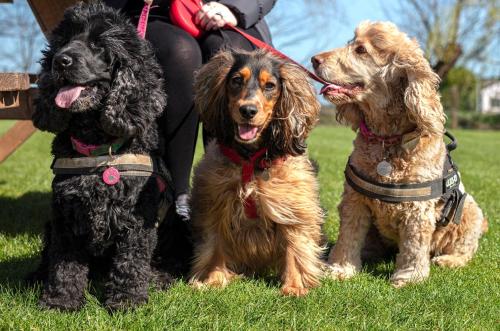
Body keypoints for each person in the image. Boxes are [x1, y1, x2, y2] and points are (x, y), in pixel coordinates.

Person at [104, 0, 276, 220]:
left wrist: (234, 9)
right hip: (155, 13)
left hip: (230, 16)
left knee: (229, 54)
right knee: (181, 52)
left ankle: (231, 193)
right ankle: (176, 196)